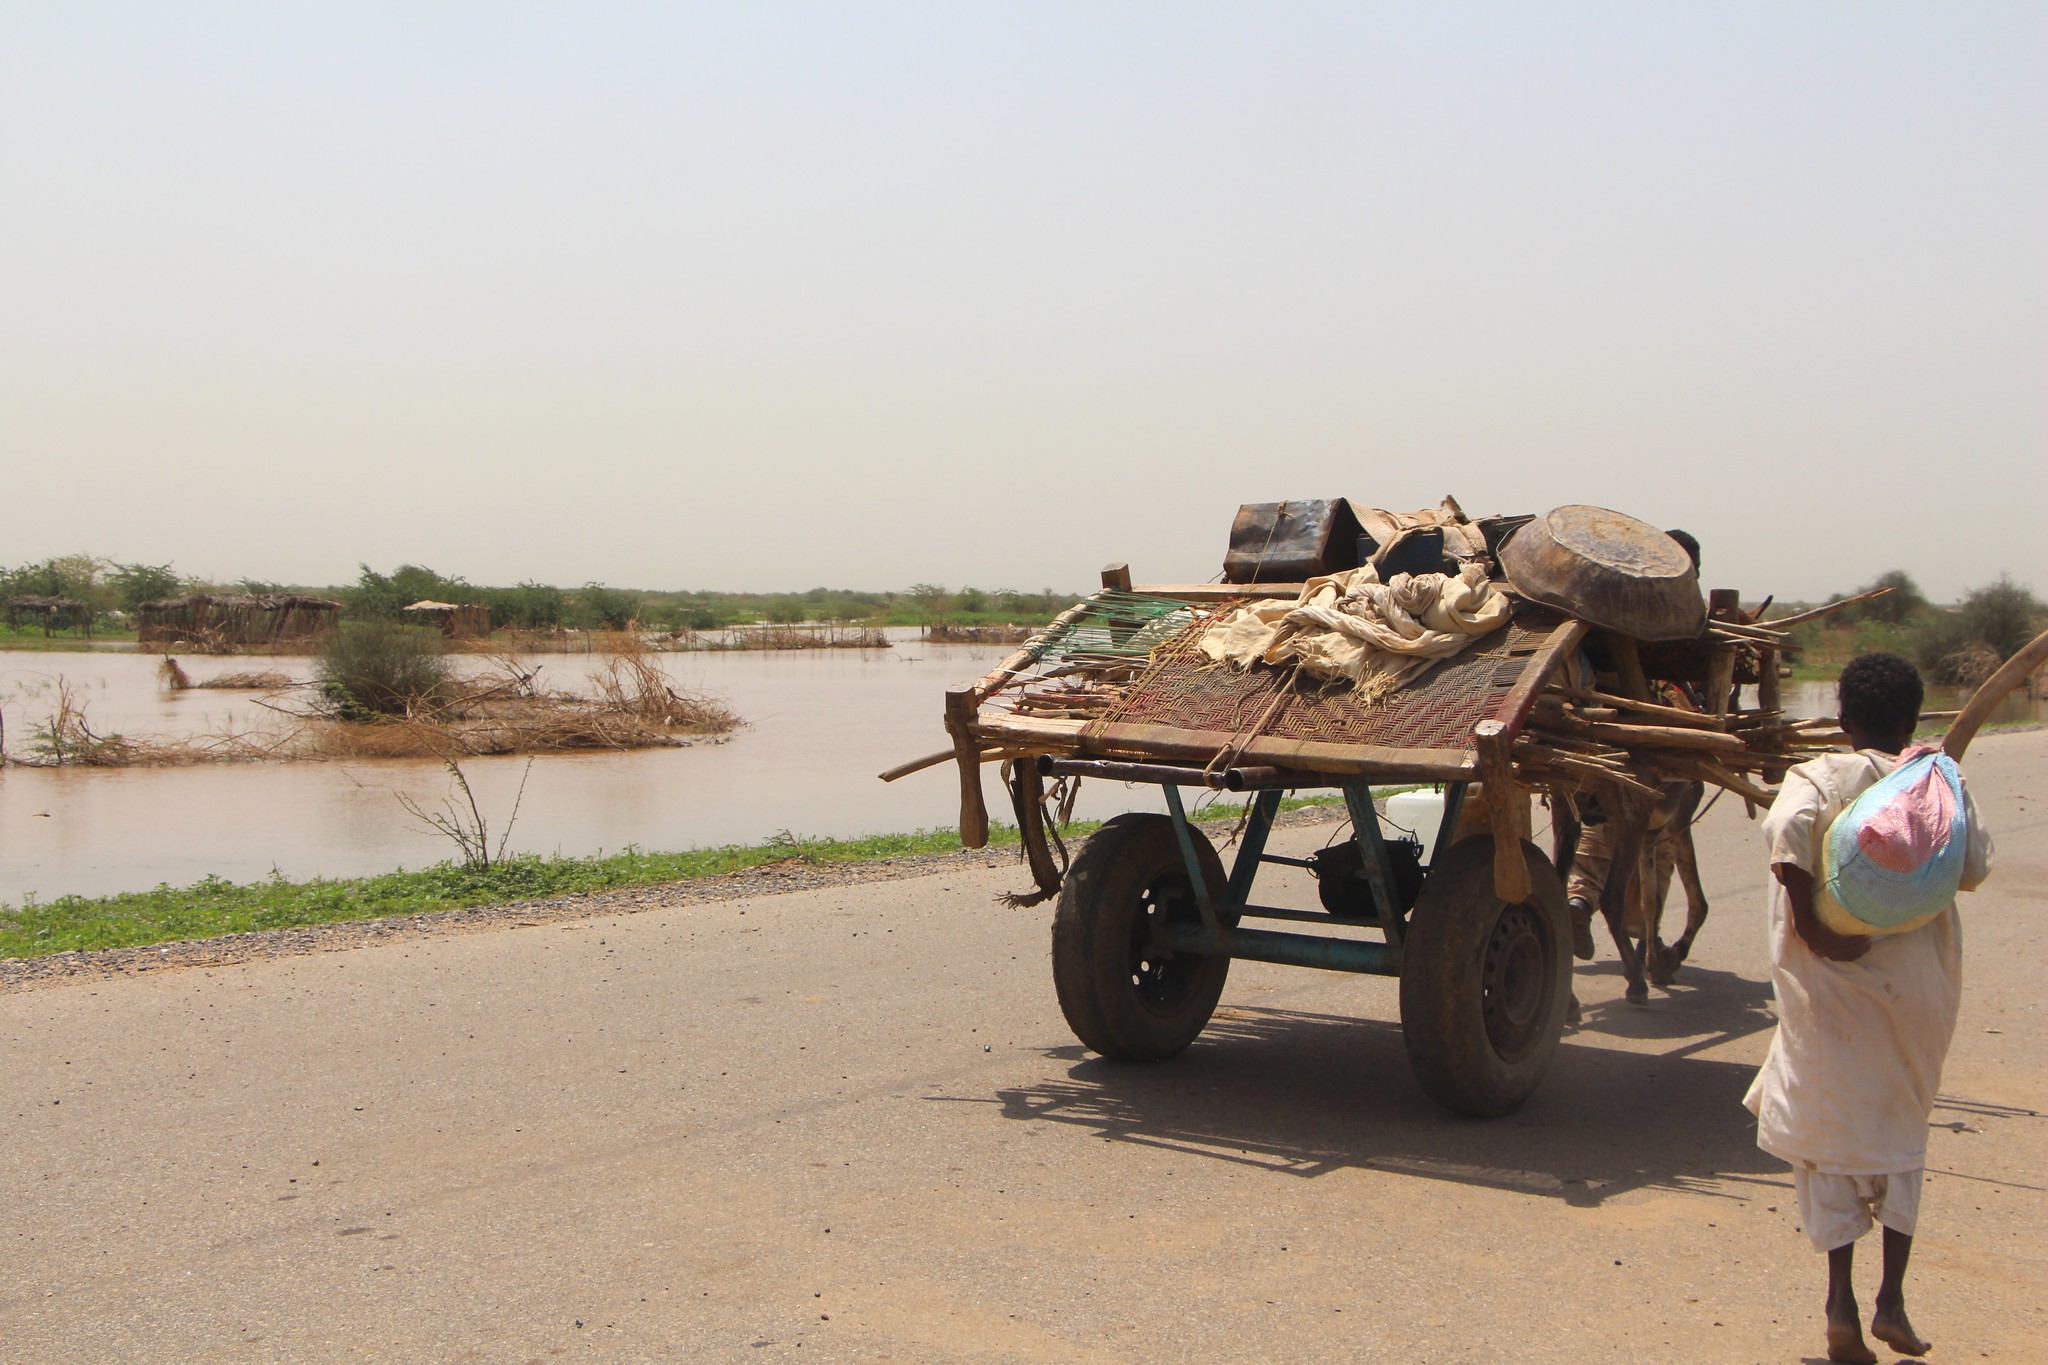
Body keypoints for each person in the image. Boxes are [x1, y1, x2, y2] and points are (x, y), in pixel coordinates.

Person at [1743, 652, 1995, 1363]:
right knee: (1901, 1132)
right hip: (1917, 988)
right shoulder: (1940, 780)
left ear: (1842, 717)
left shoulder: (1819, 775)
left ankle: (1840, 1306)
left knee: (1829, 1142)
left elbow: (1786, 837)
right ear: (1913, 719)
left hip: (1830, 991)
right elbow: (1973, 866)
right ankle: (1893, 1300)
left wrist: (1815, 926)